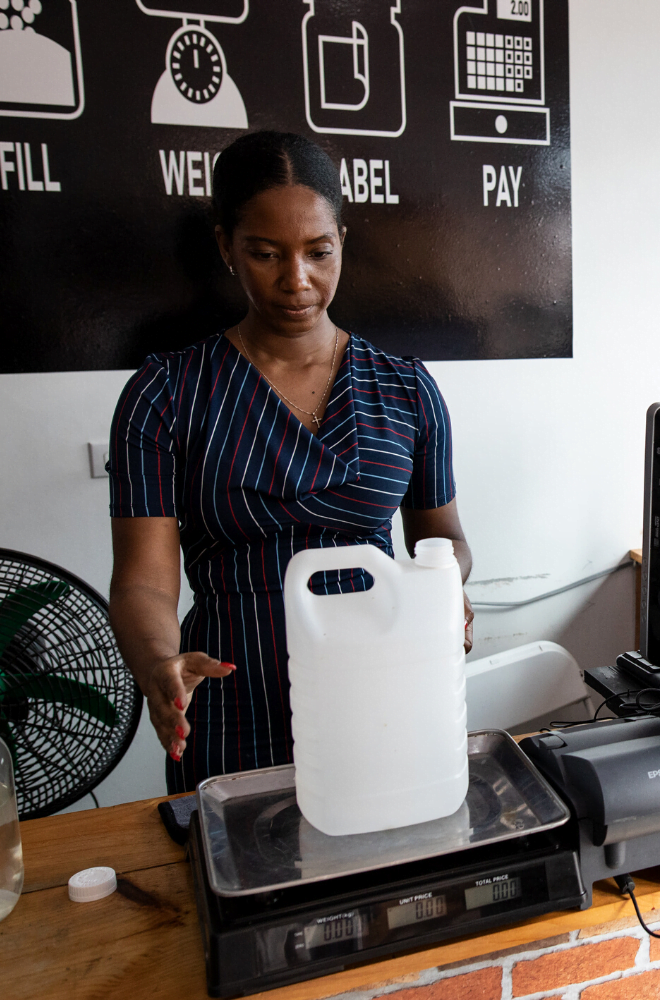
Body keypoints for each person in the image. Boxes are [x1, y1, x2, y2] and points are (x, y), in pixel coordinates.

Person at [108, 131, 474, 793]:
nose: (296, 280)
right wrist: (159, 661)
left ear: (343, 242)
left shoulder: (406, 389)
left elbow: (444, 541)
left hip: (379, 692)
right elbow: (144, 584)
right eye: (266, 253)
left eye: (318, 252)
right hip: (230, 695)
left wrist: (446, 588)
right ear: (226, 247)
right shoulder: (165, 395)